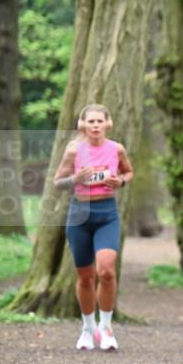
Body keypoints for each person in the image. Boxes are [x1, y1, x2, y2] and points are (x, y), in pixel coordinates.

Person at [53, 104, 133, 351]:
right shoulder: (74, 151)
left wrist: (119, 181)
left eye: (100, 121)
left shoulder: (116, 149)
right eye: (91, 121)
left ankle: (106, 327)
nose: (96, 125)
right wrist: (75, 179)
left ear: (107, 124)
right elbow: (57, 182)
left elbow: (129, 172)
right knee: (85, 277)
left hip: (107, 213)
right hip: (79, 215)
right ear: (83, 125)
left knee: (107, 270)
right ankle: (88, 328)